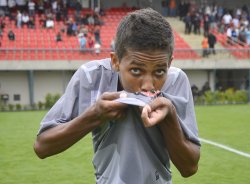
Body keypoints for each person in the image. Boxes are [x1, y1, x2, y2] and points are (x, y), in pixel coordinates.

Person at [33, 8, 200, 183]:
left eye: (159, 71)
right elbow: (42, 146)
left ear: (169, 63)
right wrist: (94, 115)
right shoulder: (91, 77)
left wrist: (170, 116)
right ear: (115, 61)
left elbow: (189, 168)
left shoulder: (176, 81)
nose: (148, 85)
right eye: (136, 70)